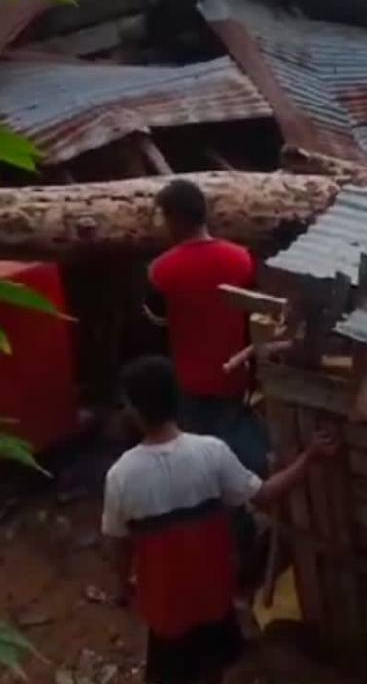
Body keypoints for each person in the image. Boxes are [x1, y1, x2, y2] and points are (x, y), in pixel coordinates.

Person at [102, 356, 338, 684]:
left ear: (134, 411)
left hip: (166, 610)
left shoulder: (121, 476)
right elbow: (266, 493)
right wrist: (310, 455)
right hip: (215, 598)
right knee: (220, 670)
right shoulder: (212, 452)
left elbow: (118, 545)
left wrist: (122, 587)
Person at [143, 179, 266, 589]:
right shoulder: (242, 259)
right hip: (237, 381)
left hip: (193, 389)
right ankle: (247, 542)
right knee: (237, 464)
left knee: (205, 477)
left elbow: (154, 323)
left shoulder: (162, 271)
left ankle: (228, 554)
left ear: (176, 218)